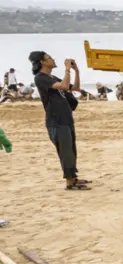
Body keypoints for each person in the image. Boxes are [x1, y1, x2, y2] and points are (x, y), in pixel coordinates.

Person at [29, 50, 88, 190]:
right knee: (65, 151)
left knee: (71, 150)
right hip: (56, 121)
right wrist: (67, 69)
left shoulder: (52, 77)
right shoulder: (40, 78)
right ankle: (69, 181)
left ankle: (73, 177)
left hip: (66, 118)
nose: (52, 60)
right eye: (49, 58)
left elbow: (75, 88)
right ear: (42, 62)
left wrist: (76, 71)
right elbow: (64, 86)